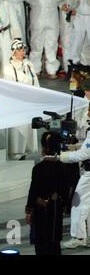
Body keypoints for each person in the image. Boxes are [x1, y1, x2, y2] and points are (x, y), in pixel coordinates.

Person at [59, 78, 90, 249]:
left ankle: (78, 237)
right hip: (86, 165)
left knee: (78, 202)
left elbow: (85, 152)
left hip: (89, 171)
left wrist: (62, 156)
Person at [25, 132, 67, 255]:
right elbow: (66, 192)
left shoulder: (38, 168)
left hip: (40, 210)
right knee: (54, 243)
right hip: (56, 210)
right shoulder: (63, 168)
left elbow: (33, 191)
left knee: (41, 243)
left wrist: (29, 209)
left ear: (45, 148)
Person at [2, 39, 39, 160]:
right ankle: (16, 152)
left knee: (28, 127)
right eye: (19, 49)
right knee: (18, 130)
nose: (22, 52)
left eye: (23, 49)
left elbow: (36, 83)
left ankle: (26, 151)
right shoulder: (8, 68)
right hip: (17, 104)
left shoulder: (29, 65)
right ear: (13, 52)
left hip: (30, 102)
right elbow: (8, 88)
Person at [26, 0, 64, 79]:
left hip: (52, 19)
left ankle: (52, 70)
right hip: (37, 19)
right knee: (36, 45)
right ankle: (35, 70)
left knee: (52, 45)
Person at [56, 0, 82, 74]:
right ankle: (68, 69)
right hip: (64, 11)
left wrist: (77, 8)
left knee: (78, 38)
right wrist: (61, 5)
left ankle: (79, 67)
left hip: (78, 12)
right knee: (66, 39)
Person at [68, 0, 90, 67]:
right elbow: (72, 5)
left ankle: (86, 63)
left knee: (87, 43)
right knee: (76, 40)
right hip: (80, 17)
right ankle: (74, 63)